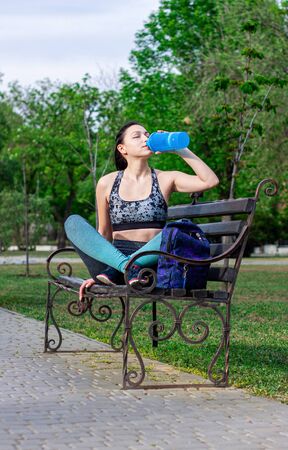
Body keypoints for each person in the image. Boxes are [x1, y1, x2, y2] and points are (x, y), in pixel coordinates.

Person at [64, 121, 219, 300]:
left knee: (177, 228)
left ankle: (126, 268)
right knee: (73, 222)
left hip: (150, 262)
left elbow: (210, 181)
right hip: (113, 261)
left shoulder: (166, 178)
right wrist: (99, 269)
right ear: (122, 149)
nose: (145, 138)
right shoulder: (106, 182)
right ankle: (126, 268)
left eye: (147, 134)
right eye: (136, 136)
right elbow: (104, 232)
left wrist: (178, 148)